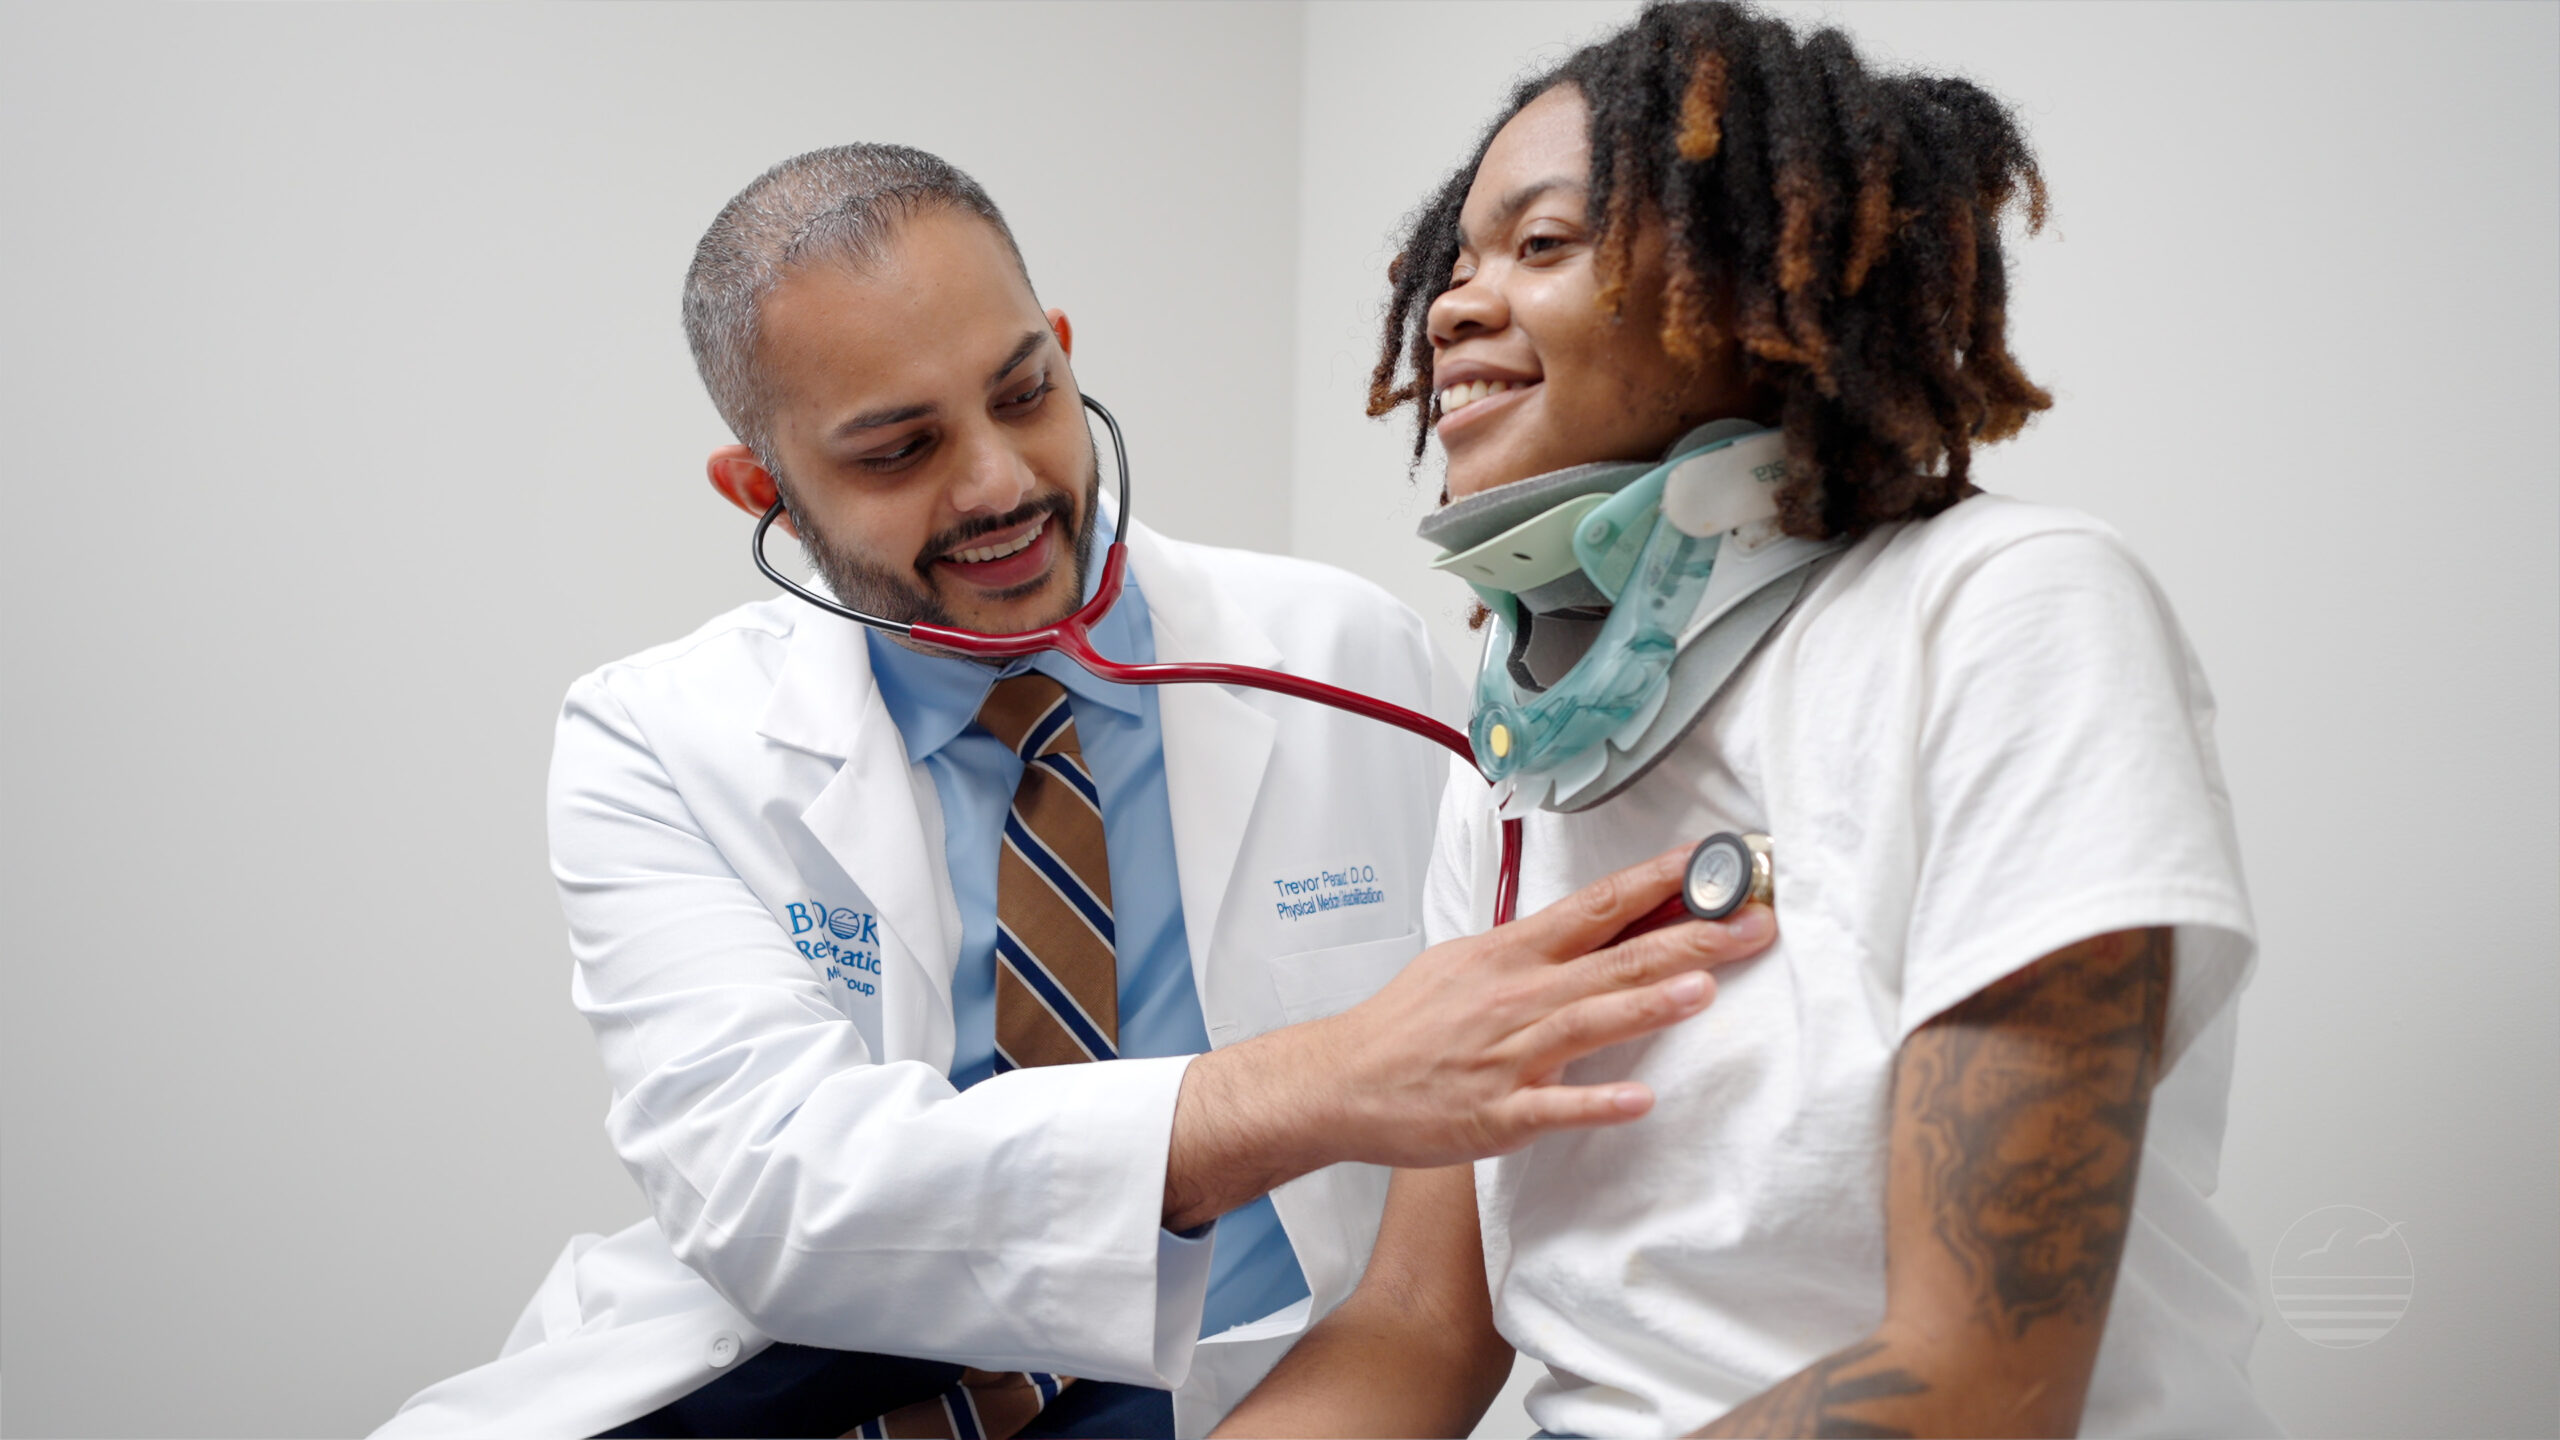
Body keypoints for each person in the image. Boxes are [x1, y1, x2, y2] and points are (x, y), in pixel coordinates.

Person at [375, 145, 1777, 1440]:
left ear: (1063, 352)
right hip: (786, 1389)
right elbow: (772, 1191)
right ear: (765, 488)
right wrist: (1322, 1084)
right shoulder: (655, 738)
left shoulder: (1345, 655)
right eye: (897, 450)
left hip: (1224, 1389)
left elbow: (1435, 1272)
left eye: (1023, 394)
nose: (1001, 484)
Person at [1217, 5, 2275, 1436]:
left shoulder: (2006, 613)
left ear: (1737, 287)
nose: (1454, 308)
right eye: (1453, 266)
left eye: (1541, 246)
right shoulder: (1522, 771)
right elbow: (1414, 1331)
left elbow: (1980, 1383)